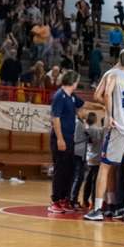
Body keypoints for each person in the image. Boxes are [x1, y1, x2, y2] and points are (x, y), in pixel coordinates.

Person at [85, 50, 124, 222]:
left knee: (105, 167)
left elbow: (105, 94)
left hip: (118, 127)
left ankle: (97, 209)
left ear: (120, 60)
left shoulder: (114, 74)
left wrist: (111, 114)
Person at [48, 70, 102, 213]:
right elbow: (55, 118)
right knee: (60, 170)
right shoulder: (59, 96)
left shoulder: (71, 96)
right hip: (61, 139)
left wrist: (101, 106)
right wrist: (60, 138)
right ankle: (55, 201)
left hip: (70, 139)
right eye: (77, 81)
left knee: (69, 170)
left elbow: (85, 104)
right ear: (73, 82)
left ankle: (65, 199)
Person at [82, 112, 103, 208]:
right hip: (97, 158)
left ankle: (85, 201)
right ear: (95, 120)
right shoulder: (98, 130)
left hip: (88, 158)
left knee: (88, 181)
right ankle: (94, 203)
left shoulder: (85, 129)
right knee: (95, 182)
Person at [69, 111, 89, 209]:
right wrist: (87, 136)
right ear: (79, 112)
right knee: (78, 177)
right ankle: (72, 200)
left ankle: (73, 199)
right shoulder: (78, 123)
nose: (86, 113)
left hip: (81, 152)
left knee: (79, 177)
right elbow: (76, 139)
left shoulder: (81, 122)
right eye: (84, 111)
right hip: (78, 152)